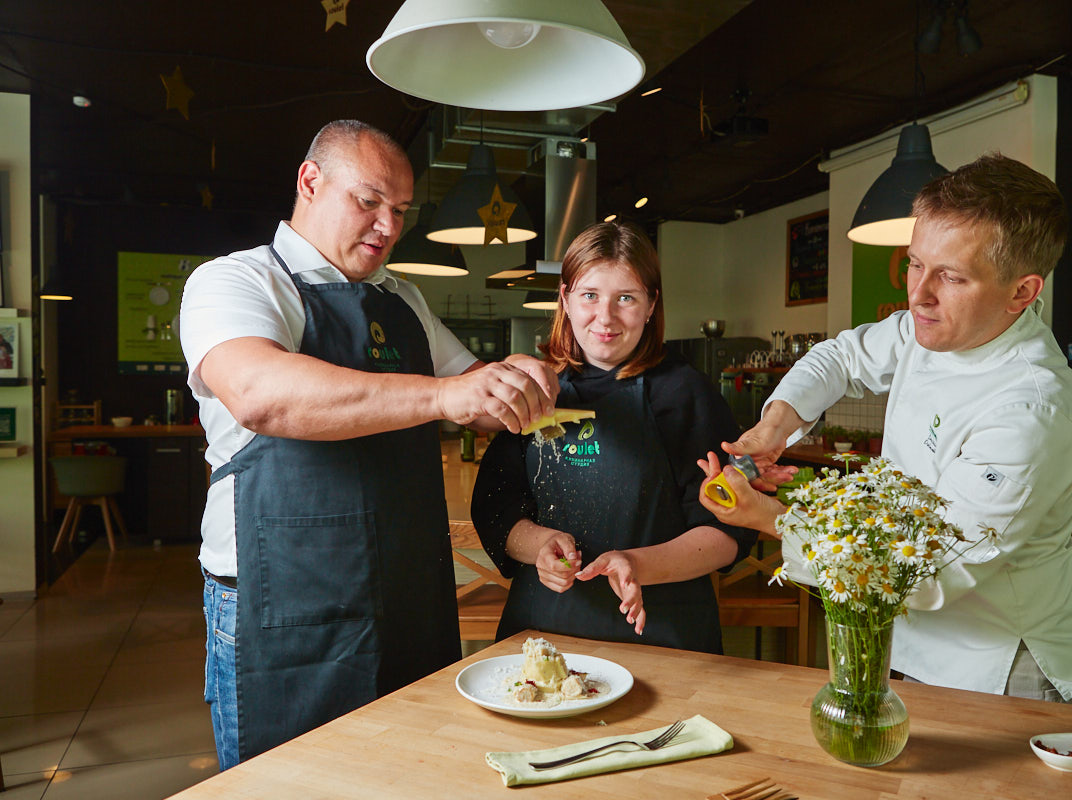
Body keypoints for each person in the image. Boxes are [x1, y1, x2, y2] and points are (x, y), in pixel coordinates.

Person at [179, 120, 557, 768]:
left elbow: (475, 398)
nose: (387, 225)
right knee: (289, 781)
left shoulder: (401, 296)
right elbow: (261, 393)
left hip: (409, 588)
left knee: (412, 771)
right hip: (284, 599)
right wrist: (443, 398)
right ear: (310, 180)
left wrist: (518, 381)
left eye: (401, 211)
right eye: (369, 201)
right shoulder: (236, 283)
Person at [698, 153, 1072, 705]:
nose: (918, 294)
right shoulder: (928, 327)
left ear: (1022, 293)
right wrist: (773, 427)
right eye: (915, 264)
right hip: (907, 645)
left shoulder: (1031, 413)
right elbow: (838, 358)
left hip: (1001, 668)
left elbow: (927, 572)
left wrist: (769, 518)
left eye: (952, 277)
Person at [471, 221, 756, 653]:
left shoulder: (686, 395)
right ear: (565, 299)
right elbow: (495, 507)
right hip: (544, 636)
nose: (605, 318)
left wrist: (636, 564)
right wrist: (539, 545)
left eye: (626, 298)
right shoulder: (534, 390)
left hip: (662, 637)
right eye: (589, 296)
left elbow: (726, 527)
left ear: (650, 305)